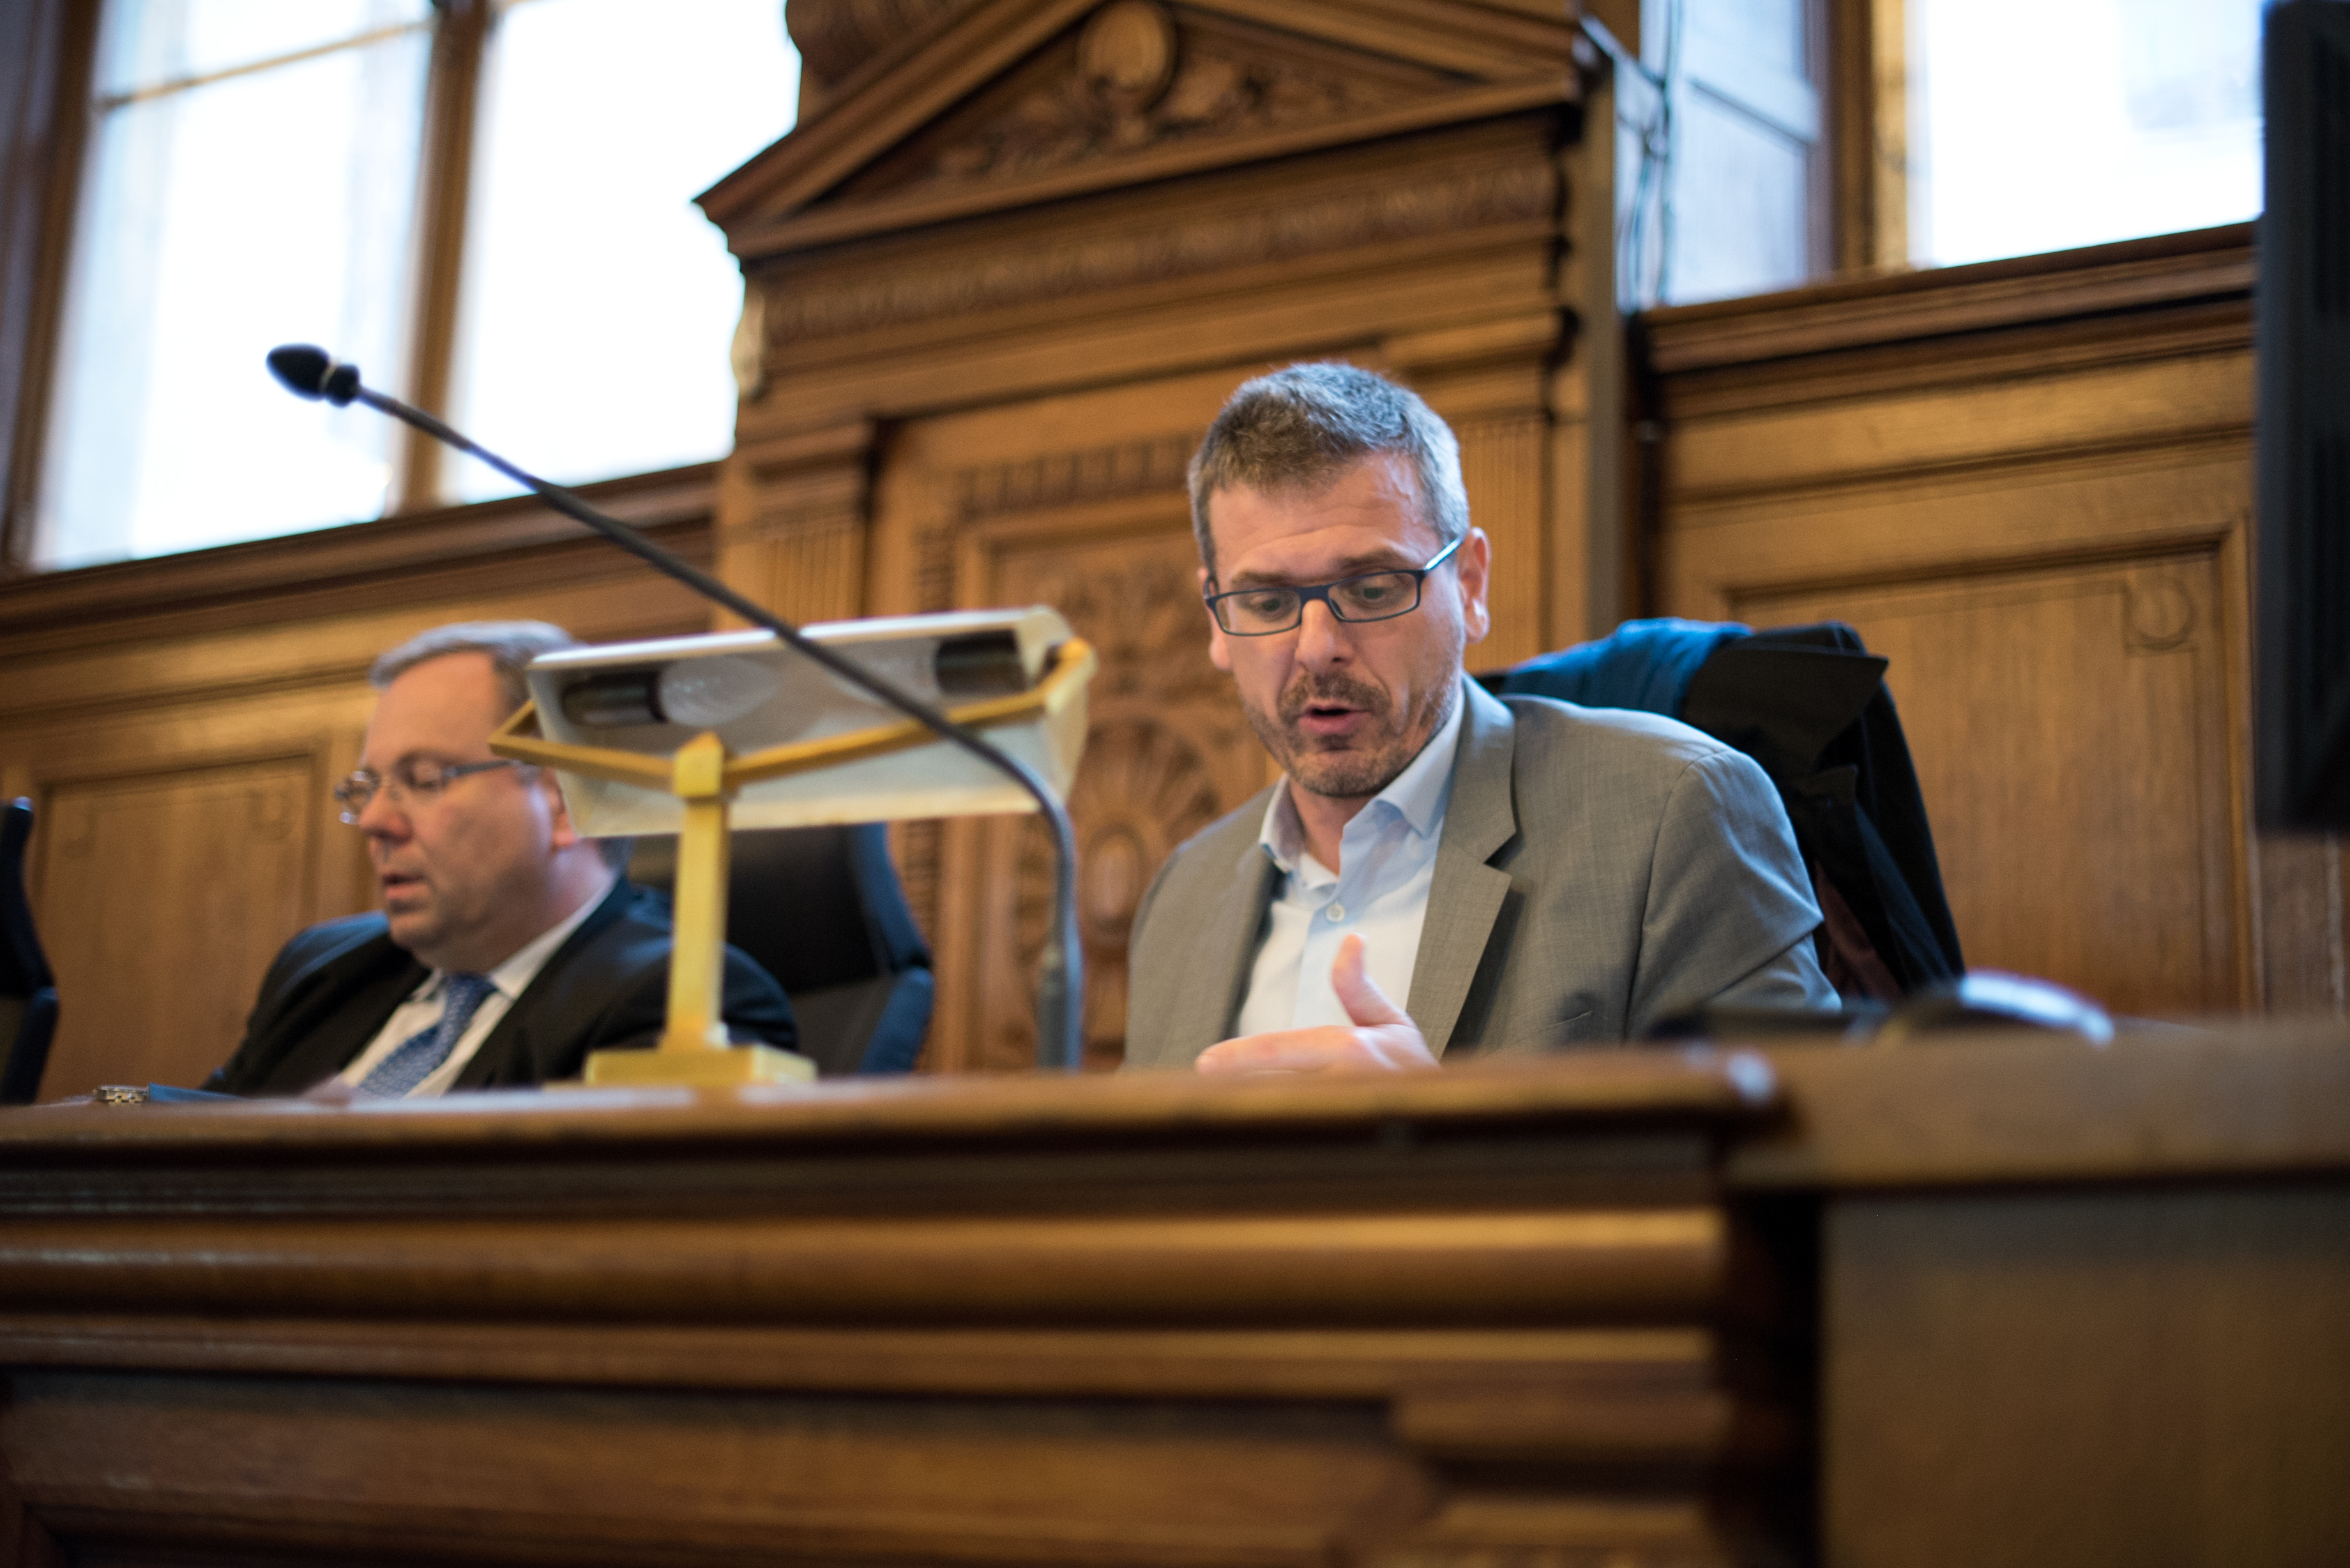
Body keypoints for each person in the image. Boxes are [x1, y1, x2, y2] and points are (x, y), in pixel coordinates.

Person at [1123, 364, 1835, 1074]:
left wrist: (1441, 1134)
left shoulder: (1674, 818)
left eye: (1371, 589)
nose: (1316, 648)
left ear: (1468, 584)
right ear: (1215, 618)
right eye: (1267, 603)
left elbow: (1813, 1137)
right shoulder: (1182, 894)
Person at [208, 622, 797, 1097]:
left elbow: (595, 1202)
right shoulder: (322, 970)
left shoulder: (676, 1004)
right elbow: (192, 1130)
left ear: (562, 802)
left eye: (424, 779)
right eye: (367, 787)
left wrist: (351, 1160)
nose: (375, 821)